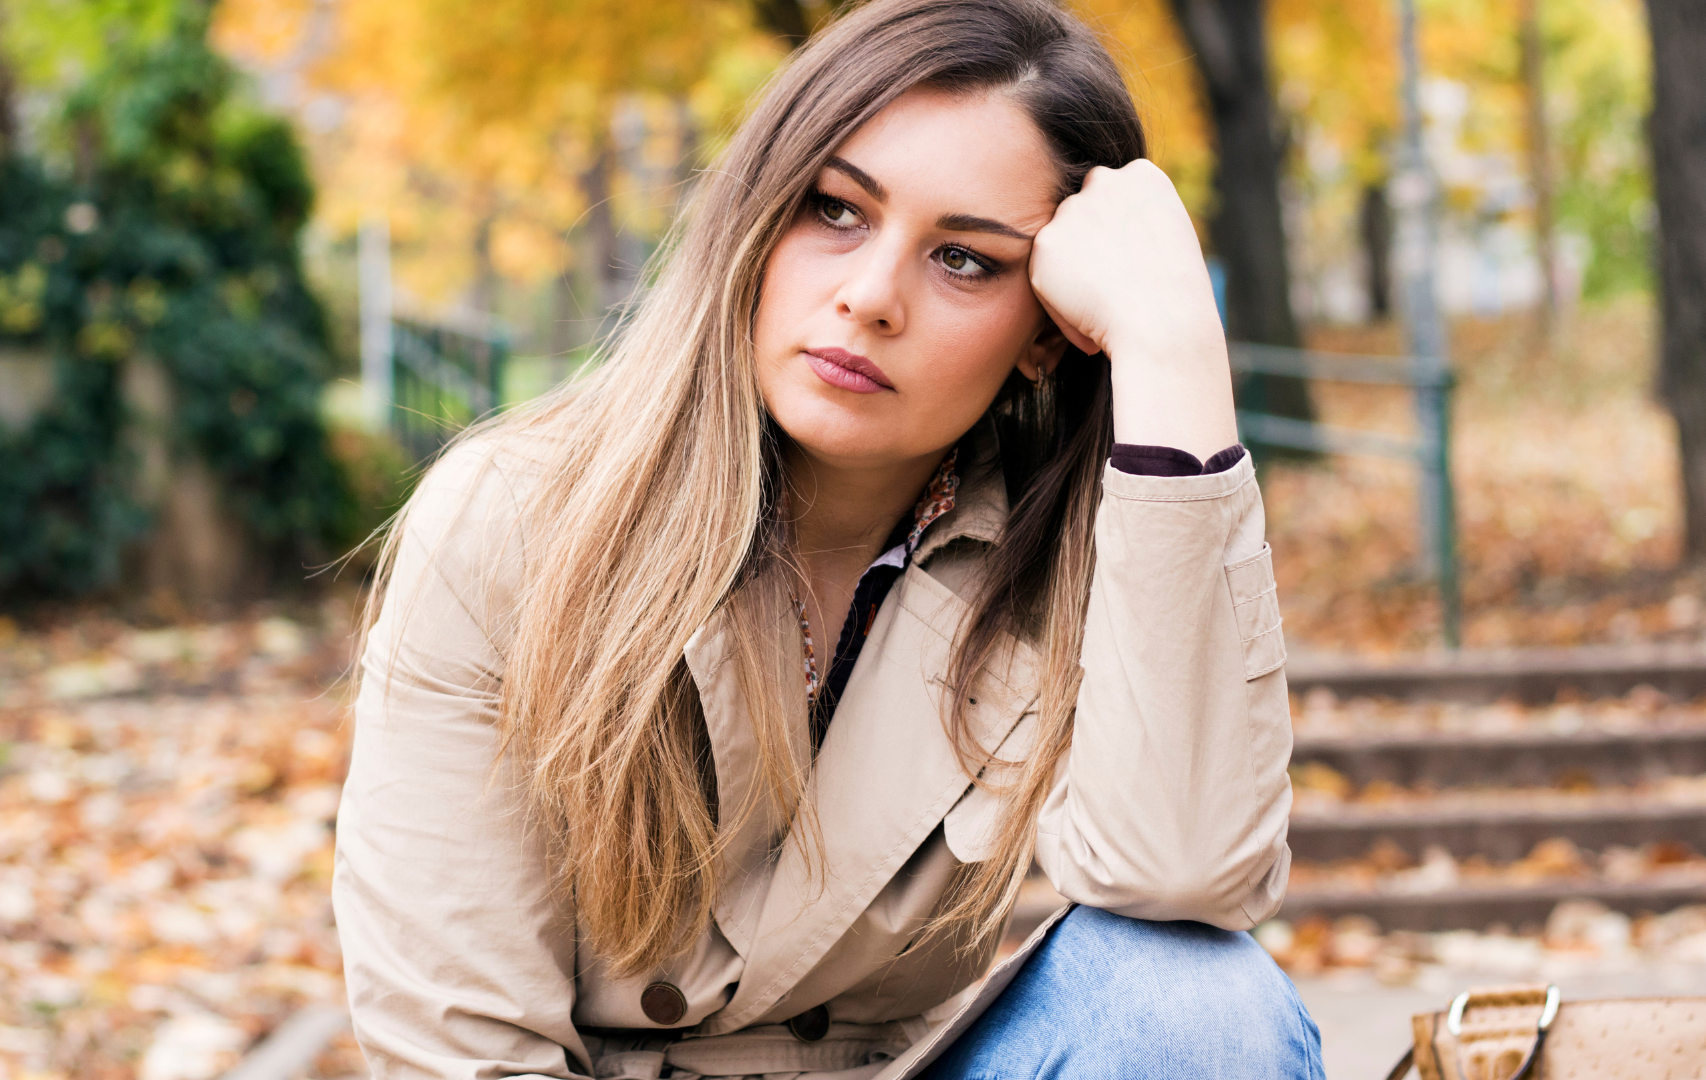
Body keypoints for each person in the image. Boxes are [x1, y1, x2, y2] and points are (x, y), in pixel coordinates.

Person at [335, 0, 1321, 1076]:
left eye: (965, 260)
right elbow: (459, 1052)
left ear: (1045, 333)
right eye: (837, 210)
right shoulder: (514, 522)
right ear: (759, 214)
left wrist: (1171, 346)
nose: (869, 298)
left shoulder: (1072, 559)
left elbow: (1189, 874)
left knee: (1196, 1002)